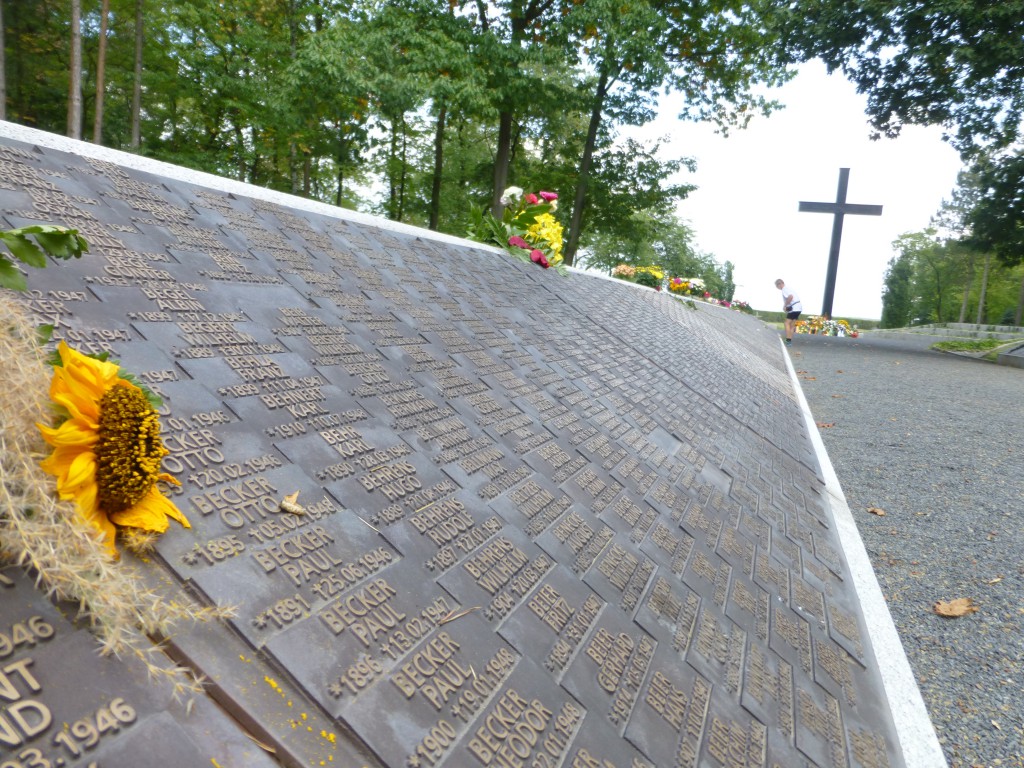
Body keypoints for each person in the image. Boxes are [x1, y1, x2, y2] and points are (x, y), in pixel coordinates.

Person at [775, 279, 802, 346]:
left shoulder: (784, 290)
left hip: (794, 309)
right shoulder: (789, 288)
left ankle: (788, 340)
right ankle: (789, 340)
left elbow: (790, 297)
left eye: (777, 286)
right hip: (799, 308)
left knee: (786, 323)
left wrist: (785, 305)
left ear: (779, 285)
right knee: (792, 325)